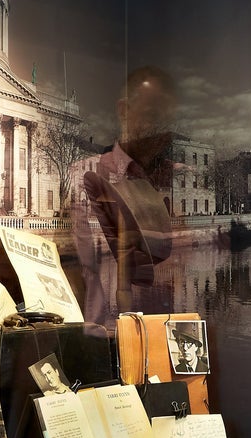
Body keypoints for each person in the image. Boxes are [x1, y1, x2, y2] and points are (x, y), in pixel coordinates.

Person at [71, 66, 179, 326]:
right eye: (151, 113)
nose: (158, 125)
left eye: (164, 118)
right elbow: (85, 272)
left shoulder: (157, 178)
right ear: (124, 111)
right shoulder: (86, 173)